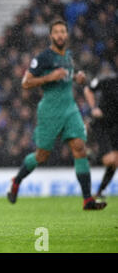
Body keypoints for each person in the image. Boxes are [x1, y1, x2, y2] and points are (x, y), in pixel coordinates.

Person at [6, 19, 106, 210]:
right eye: (56, 32)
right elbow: (26, 82)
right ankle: (17, 181)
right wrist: (48, 77)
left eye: (63, 32)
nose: (60, 35)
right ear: (51, 35)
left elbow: (67, 78)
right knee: (42, 156)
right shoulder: (43, 57)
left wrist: (77, 78)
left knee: (79, 147)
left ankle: (88, 200)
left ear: (66, 35)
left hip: (70, 108)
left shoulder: (68, 57)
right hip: (50, 111)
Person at [83, 69, 118, 199]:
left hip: (115, 126)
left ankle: (100, 191)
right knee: (111, 160)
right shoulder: (109, 80)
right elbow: (88, 89)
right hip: (102, 124)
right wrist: (93, 109)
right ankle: (91, 157)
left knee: (115, 162)